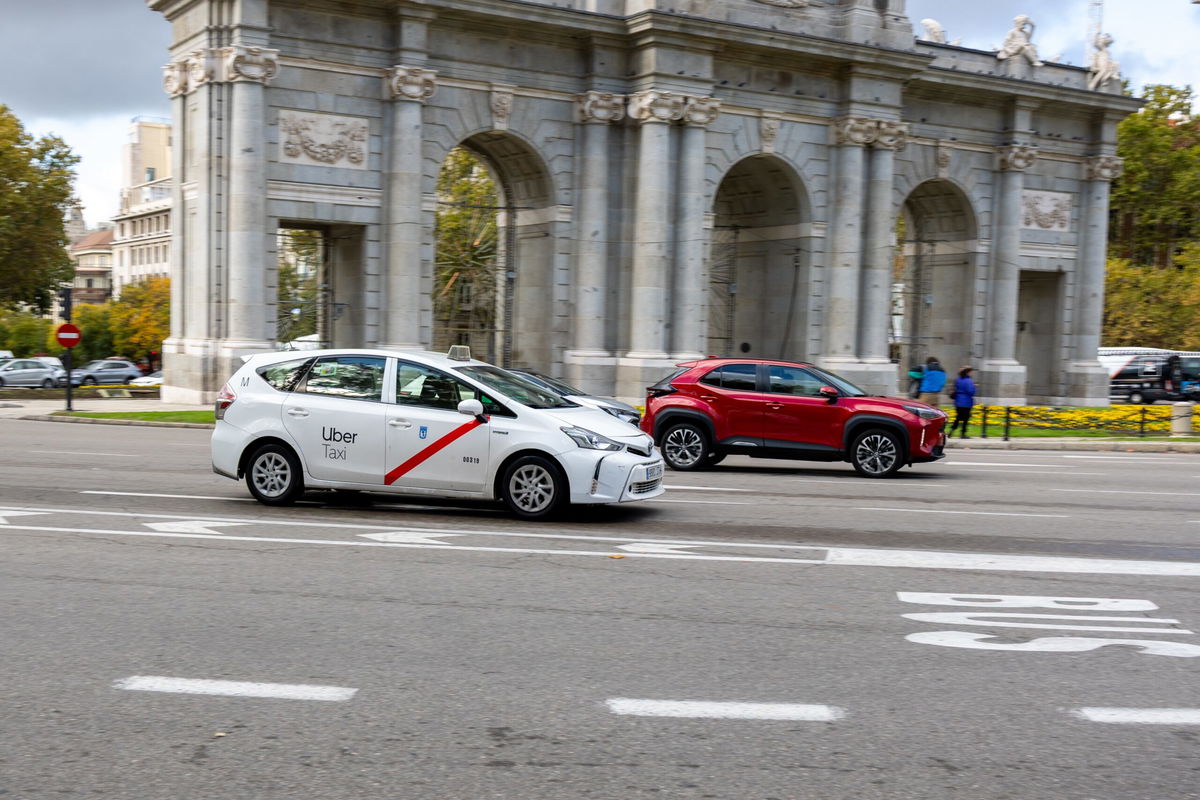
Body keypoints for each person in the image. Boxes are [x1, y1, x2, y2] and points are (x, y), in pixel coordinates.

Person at [947, 366, 977, 439]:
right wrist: (975, 387)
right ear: (968, 372)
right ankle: (963, 433)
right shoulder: (969, 381)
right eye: (971, 372)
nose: (972, 373)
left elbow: (956, 388)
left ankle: (952, 430)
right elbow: (971, 391)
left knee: (958, 417)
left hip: (958, 400)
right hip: (966, 402)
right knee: (965, 418)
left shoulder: (958, 379)